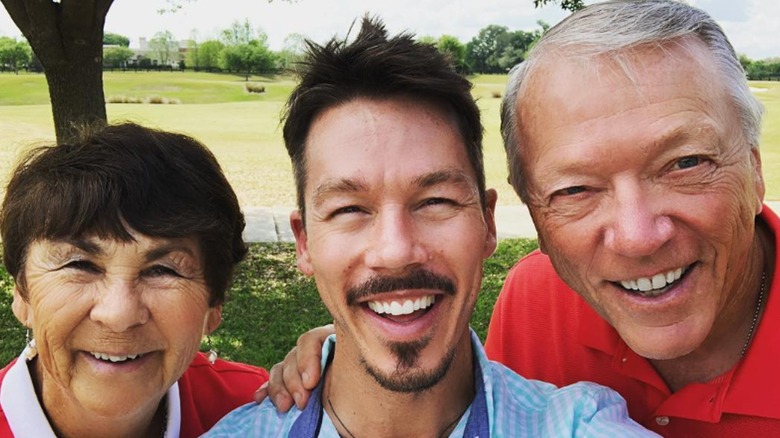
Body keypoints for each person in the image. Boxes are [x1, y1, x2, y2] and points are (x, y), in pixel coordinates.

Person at [257, 0, 780, 435]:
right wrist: (356, 337)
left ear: (755, 171)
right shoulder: (536, 299)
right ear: (531, 209)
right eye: (575, 188)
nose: (638, 237)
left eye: (685, 164)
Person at [206, 16, 654, 438]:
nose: (396, 250)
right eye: (349, 210)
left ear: (488, 223)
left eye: (436, 201)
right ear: (304, 243)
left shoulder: (577, 425)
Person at [0, 123, 269, 437]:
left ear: (214, 304)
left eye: (162, 270)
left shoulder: (260, 411)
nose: (119, 316)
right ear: (22, 294)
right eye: (80, 265)